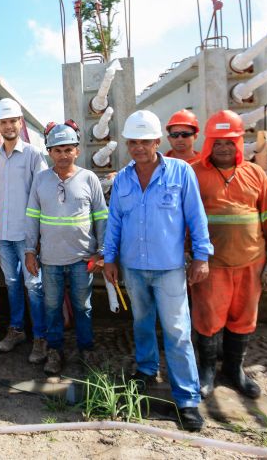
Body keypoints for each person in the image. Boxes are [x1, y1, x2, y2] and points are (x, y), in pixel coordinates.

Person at [103, 110, 213, 432]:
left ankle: (187, 399)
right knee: (141, 323)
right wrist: (110, 258)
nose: (138, 148)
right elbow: (115, 222)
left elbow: (196, 216)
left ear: (157, 141)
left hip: (169, 270)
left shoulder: (180, 173)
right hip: (134, 267)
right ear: (127, 143)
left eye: (145, 141)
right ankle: (147, 369)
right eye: (132, 142)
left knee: (177, 331)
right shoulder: (122, 178)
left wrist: (202, 257)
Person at [191, 109, 267, 400]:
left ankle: (234, 370)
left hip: (251, 262)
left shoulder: (255, 173)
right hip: (210, 265)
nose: (223, 148)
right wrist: (188, 255)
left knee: (243, 318)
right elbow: (184, 218)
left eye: (229, 142)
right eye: (218, 142)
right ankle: (206, 371)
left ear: (238, 143)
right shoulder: (194, 173)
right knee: (207, 318)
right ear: (209, 143)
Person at [25, 121, 108, 375]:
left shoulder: (89, 178)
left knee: (83, 306)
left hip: (83, 258)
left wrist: (102, 250)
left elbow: (101, 216)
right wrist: (30, 251)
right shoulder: (40, 181)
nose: (63, 155)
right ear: (50, 152)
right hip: (50, 259)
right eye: (58, 150)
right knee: (52, 308)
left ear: (77, 151)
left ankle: (86, 349)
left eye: (68, 149)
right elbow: (31, 217)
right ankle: (54, 351)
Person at [0, 97, 49, 363]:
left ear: (20, 123)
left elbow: (43, 193)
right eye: (4, 122)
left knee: (33, 286)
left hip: (27, 237)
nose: (9, 126)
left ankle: (41, 337)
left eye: (13, 121)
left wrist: (36, 239)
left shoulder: (34, 156)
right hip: (3, 235)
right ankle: (17, 330)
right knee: (12, 285)